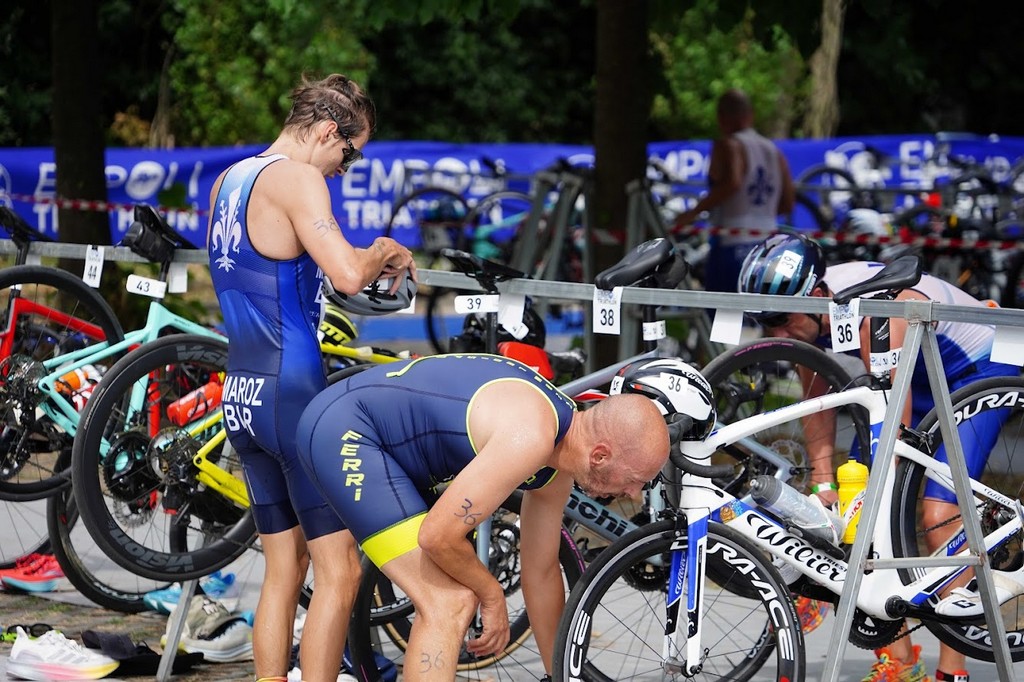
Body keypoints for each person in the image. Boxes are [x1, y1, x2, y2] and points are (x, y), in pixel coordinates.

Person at [294, 354, 716, 680]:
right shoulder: (531, 437)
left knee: (337, 580)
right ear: (601, 455)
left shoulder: (560, 448)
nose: (632, 493)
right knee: (449, 602)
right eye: (635, 480)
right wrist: (491, 594)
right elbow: (438, 536)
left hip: (334, 416)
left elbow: (542, 572)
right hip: (348, 431)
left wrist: (559, 674)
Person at [737, 232, 1023, 682]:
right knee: (855, 507)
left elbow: (896, 419)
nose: (777, 333)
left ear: (814, 294)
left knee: (939, 509)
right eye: (765, 323)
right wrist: (825, 486)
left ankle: (953, 670)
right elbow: (818, 402)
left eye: (780, 319)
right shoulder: (808, 314)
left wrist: (878, 494)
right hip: (920, 376)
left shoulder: (873, 308)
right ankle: (900, 665)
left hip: (982, 365)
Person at [207, 73, 417, 682]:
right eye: (349, 156)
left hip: (241, 394)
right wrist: (384, 250)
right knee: (341, 570)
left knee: (282, 570)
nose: (340, 171)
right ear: (328, 131)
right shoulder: (296, 179)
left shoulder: (229, 180)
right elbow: (350, 275)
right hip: (292, 396)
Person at [674, 88, 796, 293]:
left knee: (722, 316)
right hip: (768, 242)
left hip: (731, 242)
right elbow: (788, 203)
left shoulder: (728, 145)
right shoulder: (774, 151)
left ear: (721, 117)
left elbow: (733, 182)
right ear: (751, 115)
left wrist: (693, 213)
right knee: (762, 317)